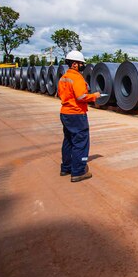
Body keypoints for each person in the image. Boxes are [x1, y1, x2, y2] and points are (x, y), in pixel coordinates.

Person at [58, 50, 101, 182]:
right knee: (81, 142)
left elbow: (61, 94)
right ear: (75, 64)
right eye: (81, 63)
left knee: (69, 141)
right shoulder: (76, 77)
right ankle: (78, 171)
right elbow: (81, 96)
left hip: (65, 112)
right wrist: (94, 96)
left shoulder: (64, 77)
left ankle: (66, 168)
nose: (83, 66)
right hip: (76, 113)